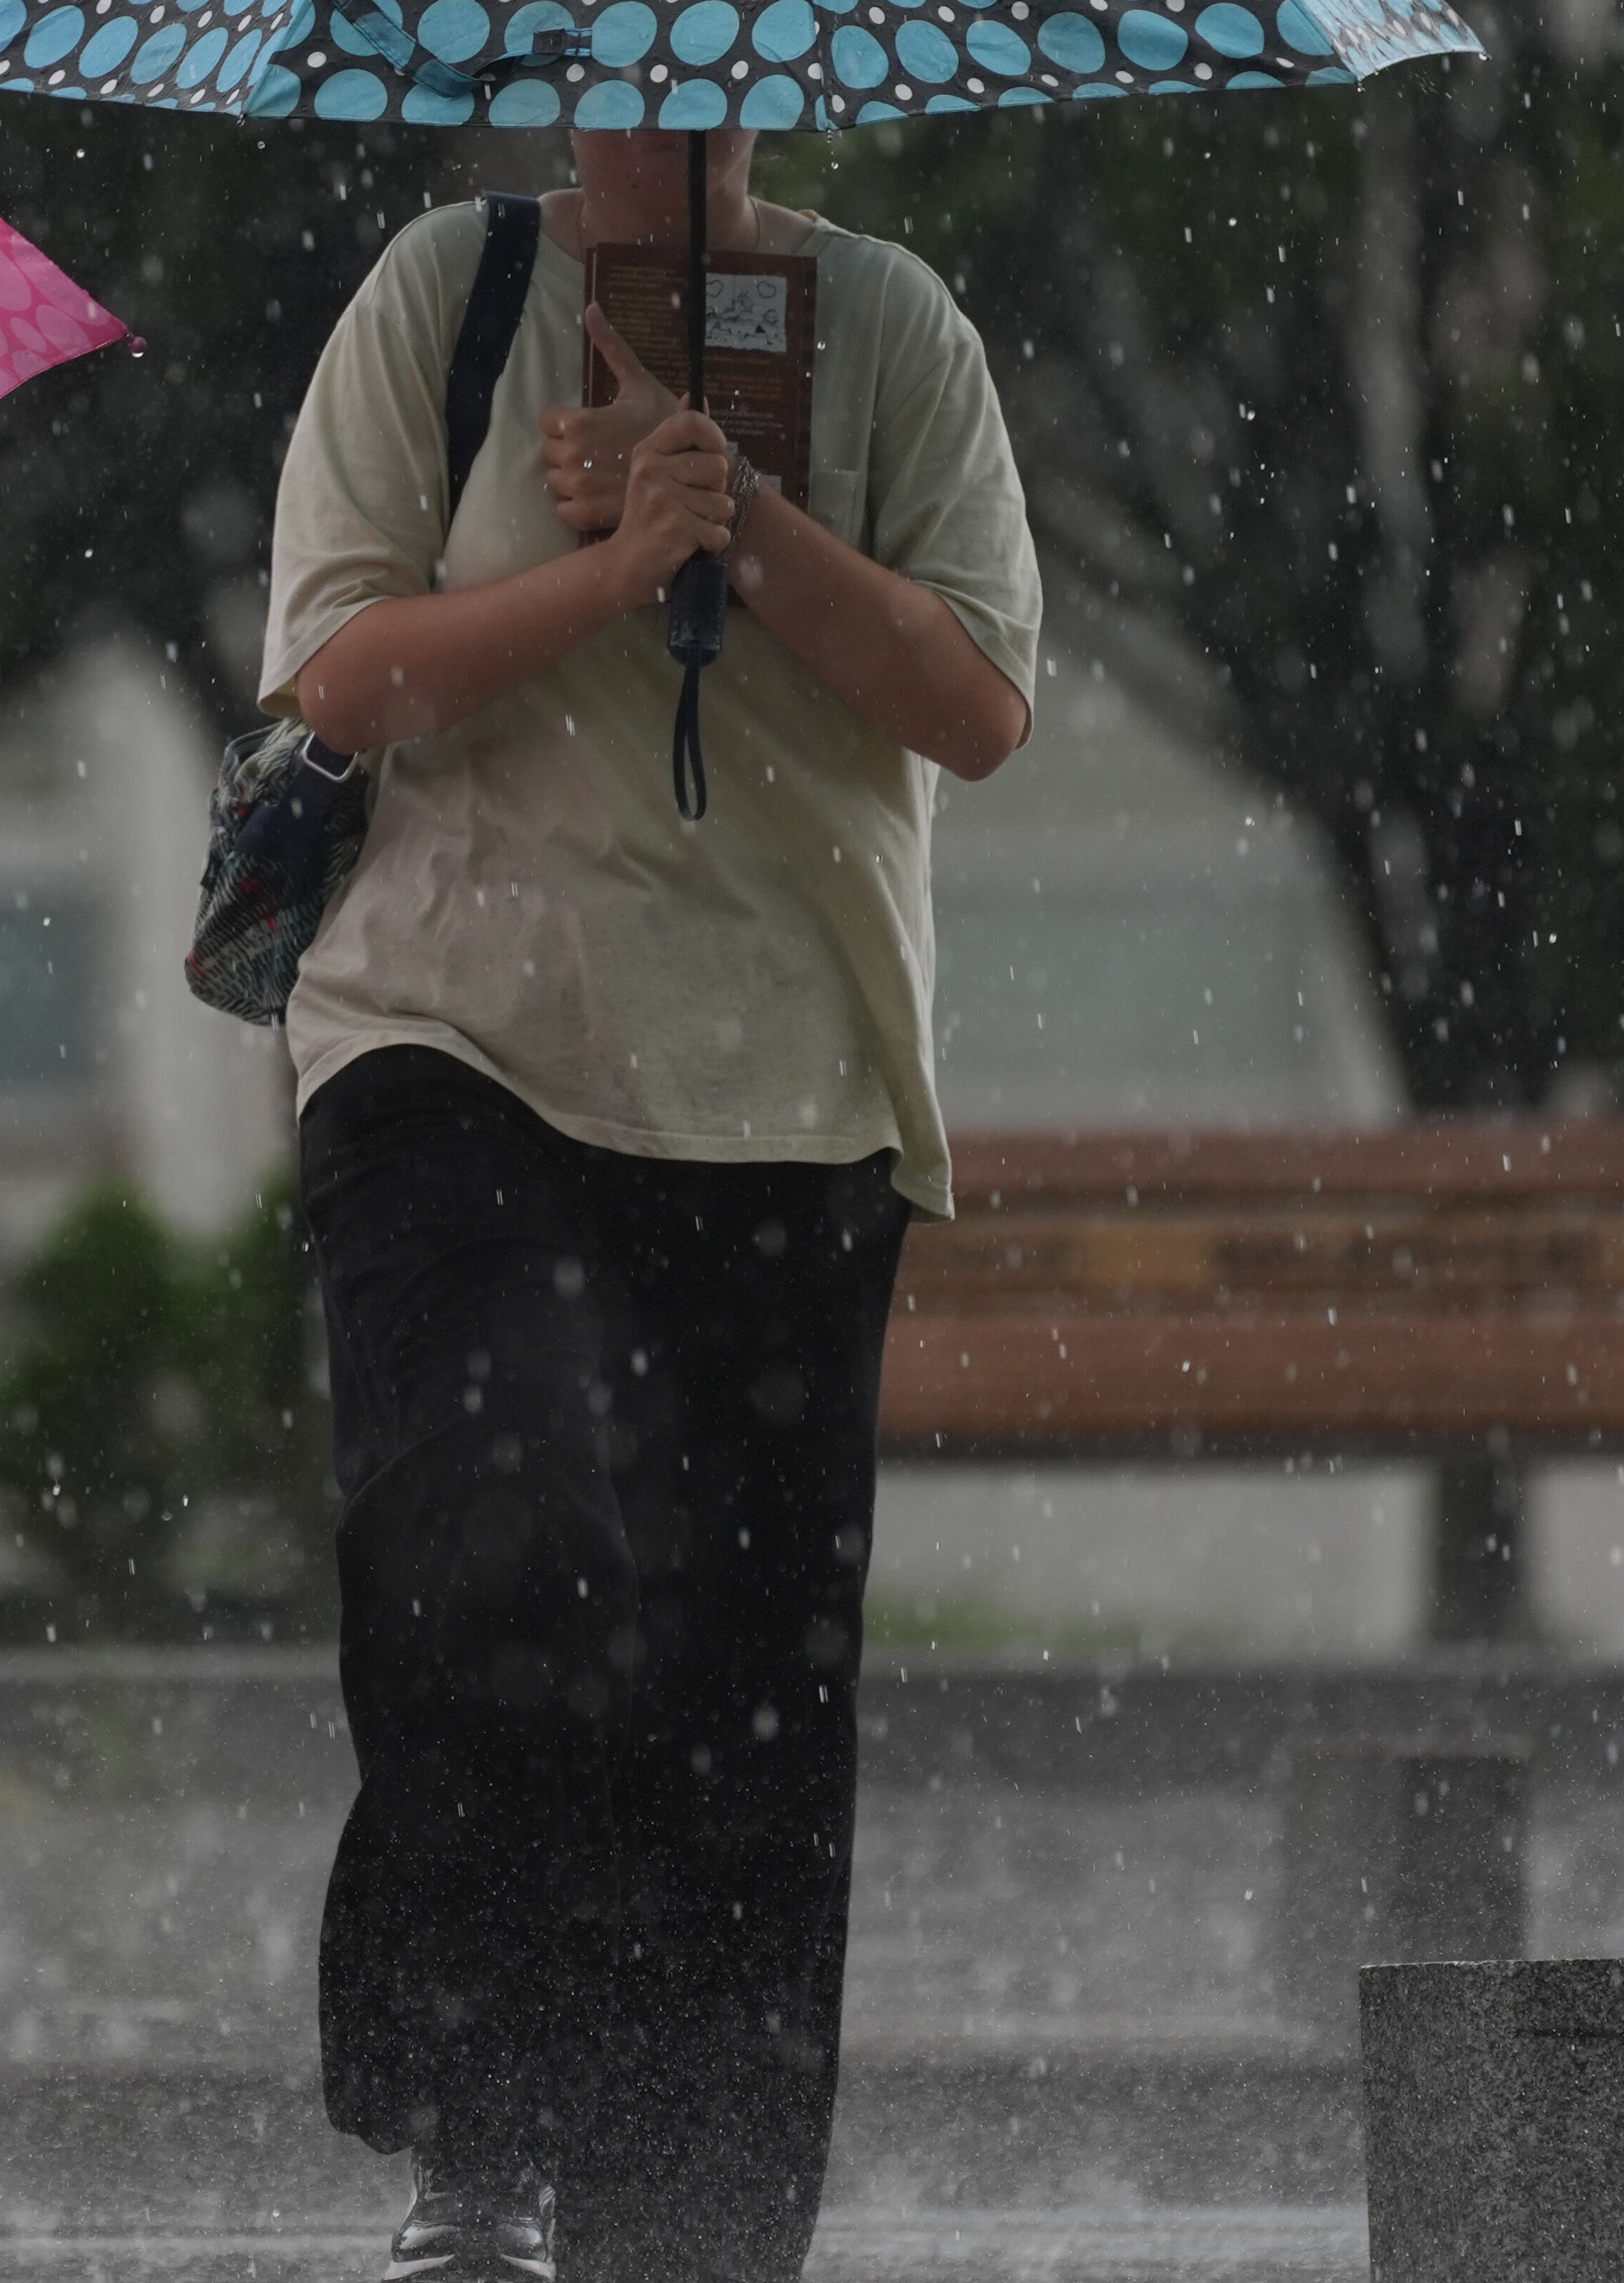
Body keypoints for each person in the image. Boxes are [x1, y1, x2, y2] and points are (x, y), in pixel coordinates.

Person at [261, 123, 1038, 2283]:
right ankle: (485, 2136)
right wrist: (605, 572)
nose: (654, 113)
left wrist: (749, 526)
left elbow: (977, 705)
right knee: (499, 1538)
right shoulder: (452, 296)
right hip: (453, 1037)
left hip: (785, 1093)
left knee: (744, 1711)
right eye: (611, 66)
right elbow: (338, 679)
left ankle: (688, 2231)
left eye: (702, 69)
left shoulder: (888, 328)